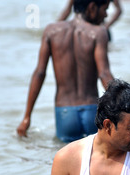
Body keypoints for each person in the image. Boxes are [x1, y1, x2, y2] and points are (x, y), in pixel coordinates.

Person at [17, 0, 114, 143]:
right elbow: (104, 74)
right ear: (92, 7)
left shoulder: (51, 31)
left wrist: (26, 117)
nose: (106, 15)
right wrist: (121, 107)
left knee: (65, 160)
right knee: (95, 158)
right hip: (91, 111)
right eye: (105, 9)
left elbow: (39, 73)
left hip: (64, 112)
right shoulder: (98, 33)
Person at [58, 0, 122, 41]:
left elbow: (119, 10)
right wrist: (58, 27)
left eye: (106, 9)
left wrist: (106, 26)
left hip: (99, 26)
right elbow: (68, 10)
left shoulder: (101, 33)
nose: (106, 14)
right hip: (81, 28)